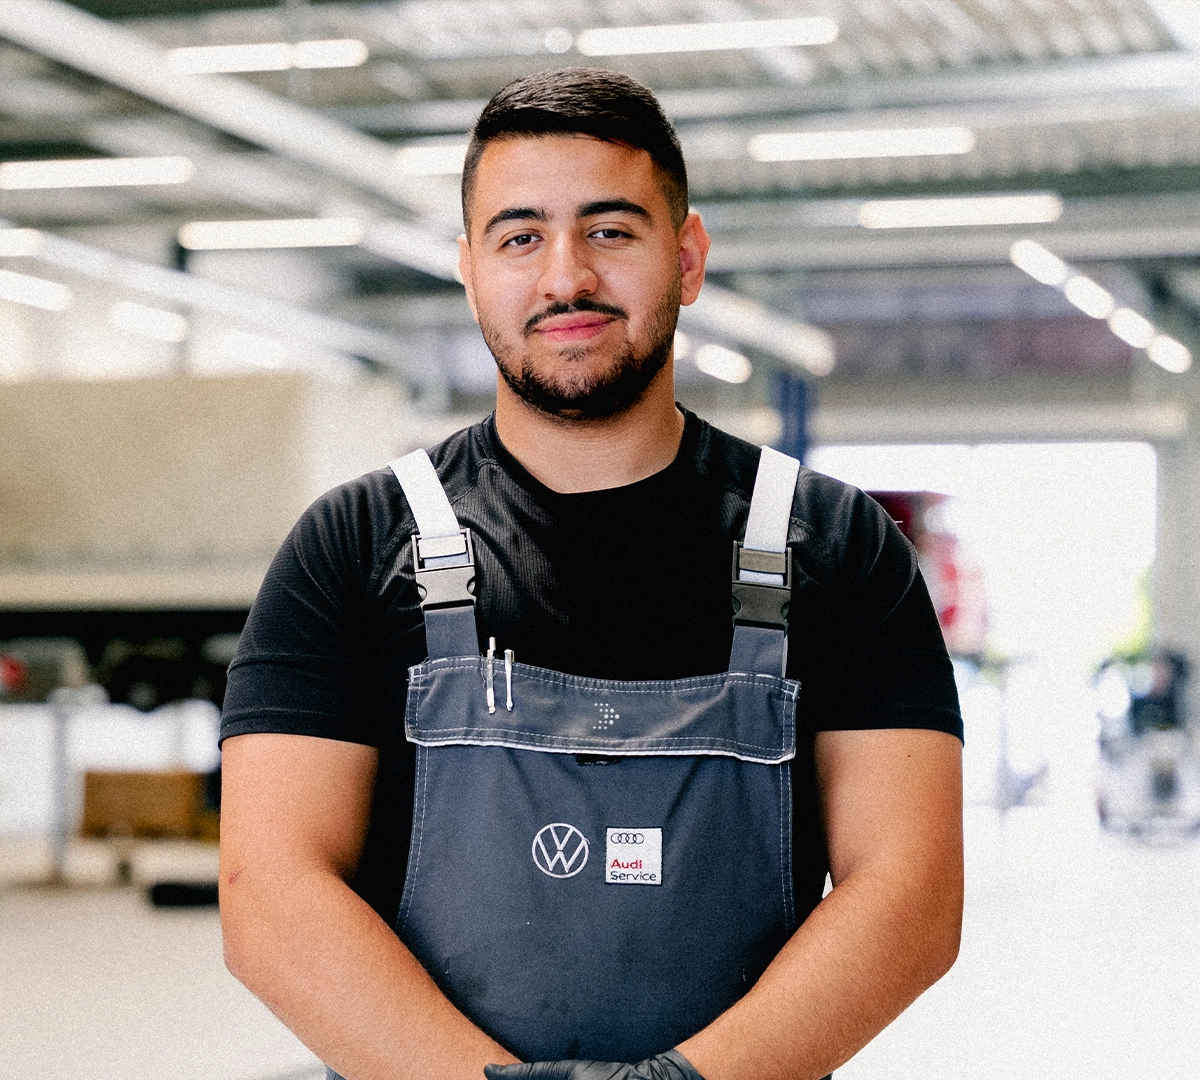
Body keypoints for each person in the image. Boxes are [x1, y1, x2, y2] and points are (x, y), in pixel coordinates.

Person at [218, 68, 963, 1080]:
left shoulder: (835, 547)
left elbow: (909, 897)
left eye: (610, 230)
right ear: (471, 268)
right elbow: (272, 897)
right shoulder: (356, 545)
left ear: (688, 256)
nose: (565, 276)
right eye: (519, 236)